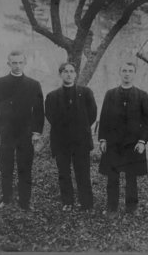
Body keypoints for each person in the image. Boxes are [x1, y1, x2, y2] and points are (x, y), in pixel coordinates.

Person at [0, 50, 44, 210]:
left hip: (25, 133)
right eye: (14, 62)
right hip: (5, 133)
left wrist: (36, 132)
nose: (17, 66)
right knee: (6, 167)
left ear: (25, 63)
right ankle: (6, 198)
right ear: (8, 64)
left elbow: (39, 110)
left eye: (20, 62)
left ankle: (25, 201)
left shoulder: (33, 84)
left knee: (25, 167)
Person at [98, 62, 148, 217]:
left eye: (130, 71)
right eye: (124, 71)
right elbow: (104, 117)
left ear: (134, 74)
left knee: (131, 177)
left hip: (133, 144)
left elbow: (147, 121)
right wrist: (102, 139)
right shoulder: (110, 94)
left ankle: (132, 208)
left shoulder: (142, 95)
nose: (127, 74)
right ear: (120, 73)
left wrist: (142, 141)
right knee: (112, 177)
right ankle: (112, 208)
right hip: (114, 143)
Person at [45, 62, 97, 211]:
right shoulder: (52, 96)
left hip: (81, 140)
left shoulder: (86, 93)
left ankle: (86, 203)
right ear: (60, 74)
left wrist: (81, 128)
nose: (69, 74)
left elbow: (92, 114)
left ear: (75, 74)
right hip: (61, 141)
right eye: (65, 71)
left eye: (71, 71)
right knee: (64, 173)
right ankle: (67, 202)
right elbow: (51, 116)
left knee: (83, 172)